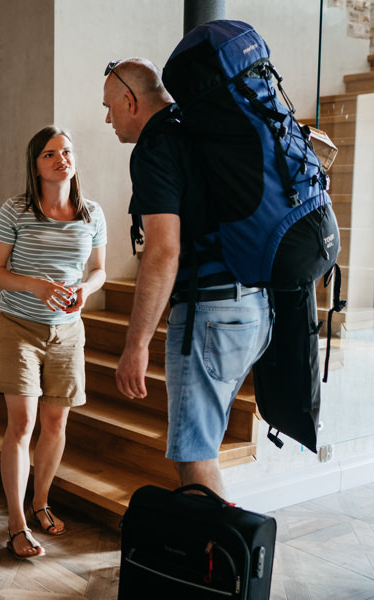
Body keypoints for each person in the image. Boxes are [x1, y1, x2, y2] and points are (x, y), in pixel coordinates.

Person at [103, 58, 272, 497]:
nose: (107, 118)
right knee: (203, 444)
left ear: (130, 100)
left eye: (109, 106)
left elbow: (163, 251)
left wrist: (136, 344)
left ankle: (215, 560)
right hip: (253, 305)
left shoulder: (156, 146)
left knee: (194, 454)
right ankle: (216, 552)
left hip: (211, 311)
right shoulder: (197, 129)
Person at [0, 126, 107, 559]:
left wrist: (86, 291)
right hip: (19, 326)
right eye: (51, 153)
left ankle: (41, 503)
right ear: (35, 166)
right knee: (21, 424)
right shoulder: (15, 210)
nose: (62, 159)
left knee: (55, 425)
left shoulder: (91, 213)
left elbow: (99, 270)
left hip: (69, 331)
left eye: (67, 151)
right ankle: (17, 524)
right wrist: (35, 286)